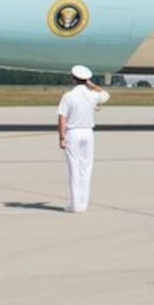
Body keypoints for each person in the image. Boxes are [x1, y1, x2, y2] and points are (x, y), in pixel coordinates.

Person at [57, 64, 109, 212]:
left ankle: (75, 205)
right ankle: (83, 204)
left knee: (74, 168)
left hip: (73, 133)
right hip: (88, 132)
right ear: (86, 80)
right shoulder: (92, 95)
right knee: (86, 168)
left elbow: (62, 117)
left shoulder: (68, 96)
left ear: (73, 79)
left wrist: (61, 137)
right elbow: (105, 95)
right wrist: (93, 85)